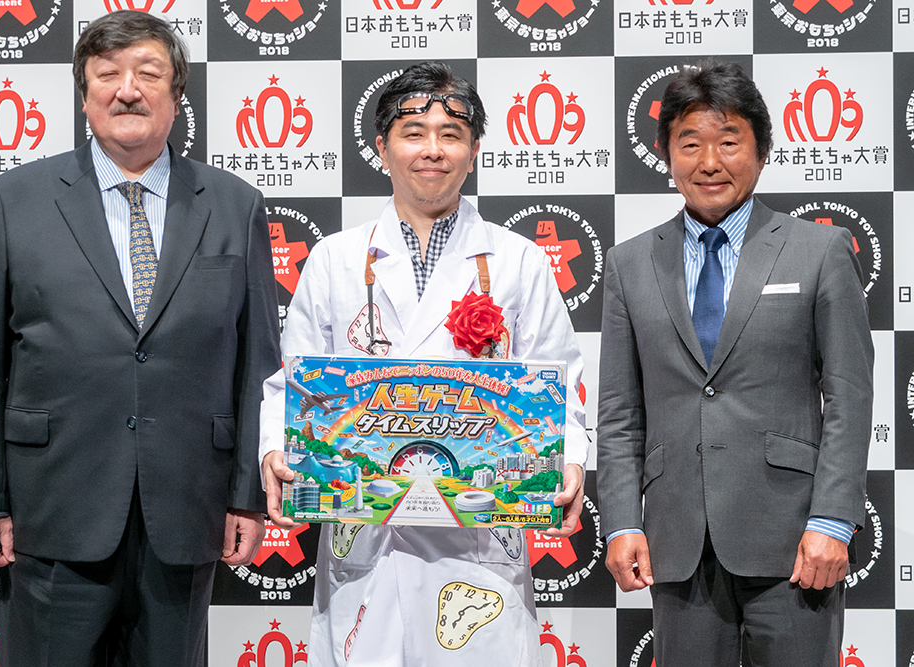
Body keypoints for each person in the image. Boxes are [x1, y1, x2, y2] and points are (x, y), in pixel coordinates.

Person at [0, 10, 280, 666]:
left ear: (177, 95)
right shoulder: (15, 200)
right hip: (50, 511)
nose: (127, 89)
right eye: (107, 74)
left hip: (186, 510)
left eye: (148, 73)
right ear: (84, 95)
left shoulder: (234, 204)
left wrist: (246, 495)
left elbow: (257, 365)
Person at [258, 61, 587, 666]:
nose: (432, 150)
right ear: (382, 147)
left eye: (451, 134)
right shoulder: (335, 259)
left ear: (474, 150)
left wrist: (567, 459)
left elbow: (561, 383)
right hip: (364, 538)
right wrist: (276, 449)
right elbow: (289, 382)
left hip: (478, 547)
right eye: (413, 133)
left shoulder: (517, 260)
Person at [597, 60, 874, 664]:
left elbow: (849, 397)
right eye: (689, 143)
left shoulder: (819, 249)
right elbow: (619, 412)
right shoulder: (629, 263)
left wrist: (832, 520)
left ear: (762, 150)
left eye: (728, 142)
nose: (709, 162)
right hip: (678, 544)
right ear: (666, 154)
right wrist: (621, 523)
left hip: (795, 542)